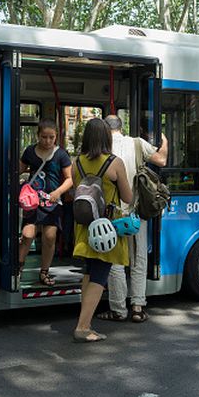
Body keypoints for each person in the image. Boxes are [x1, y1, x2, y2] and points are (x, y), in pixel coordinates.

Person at [97, 115, 167, 323]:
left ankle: (118, 309)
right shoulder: (137, 143)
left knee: (115, 263)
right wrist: (164, 140)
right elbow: (161, 160)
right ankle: (137, 307)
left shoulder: (100, 147)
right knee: (138, 261)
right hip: (135, 214)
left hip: (111, 215)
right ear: (122, 127)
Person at [72, 118, 132, 342]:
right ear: (107, 137)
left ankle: (84, 320)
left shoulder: (76, 162)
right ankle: (83, 327)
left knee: (89, 271)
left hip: (85, 226)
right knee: (100, 274)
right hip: (106, 228)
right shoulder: (114, 163)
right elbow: (127, 197)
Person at [18, 119, 73, 286]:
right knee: (27, 235)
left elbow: (70, 179)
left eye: (51, 137)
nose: (48, 141)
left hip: (53, 202)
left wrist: (58, 192)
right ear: (37, 136)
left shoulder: (61, 154)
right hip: (32, 201)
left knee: (50, 237)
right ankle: (17, 270)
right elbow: (18, 170)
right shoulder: (29, 152)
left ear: (56, 137)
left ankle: (44, 272)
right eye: (44, 137)